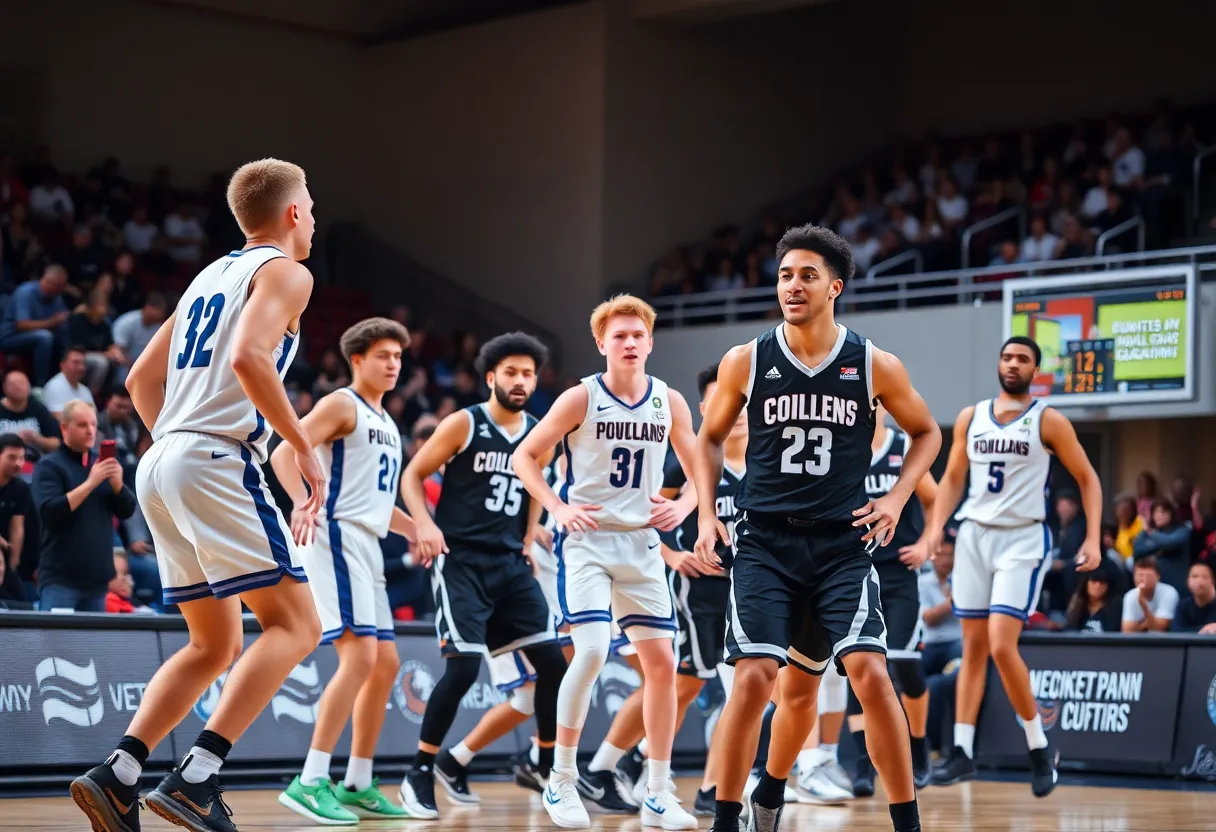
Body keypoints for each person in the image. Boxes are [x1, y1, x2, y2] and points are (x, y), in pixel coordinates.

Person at [71, 158, 324, 832]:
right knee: (298, 626)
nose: (315, 217)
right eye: (311, 205)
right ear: (293, 214)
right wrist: (299, 444)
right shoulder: (288, 273)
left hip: (162, 459)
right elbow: (248, 356)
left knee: (212, 646)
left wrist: (177, 450)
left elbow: (138, 380)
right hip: (210, 455)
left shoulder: (209, 275)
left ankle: (120, 772)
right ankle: (197, 776)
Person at [692, 224, 941, 832]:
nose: (792, 286)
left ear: (835, 286)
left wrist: (895, 499)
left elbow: (928, 434)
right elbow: (707, 438)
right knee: (756, 681)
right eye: (784, 275)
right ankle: (732, 817)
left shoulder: (873, 363)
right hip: (765, 542)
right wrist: (705, 513)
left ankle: (900, 820)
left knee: (866, 675)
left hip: (840, 545)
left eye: (806, 275)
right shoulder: (746, 359)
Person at [513, 295, 701, 831]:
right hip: (590, 542)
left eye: (638, 335)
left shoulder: (669, 401)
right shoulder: (581, 398)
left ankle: (660, 793)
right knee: (592, 650)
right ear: (601, 344)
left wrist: (685, 505)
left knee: (663, 666)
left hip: (642, 544)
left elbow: (698, 467)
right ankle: (562, 779)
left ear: (650, 342)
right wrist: (557, 507)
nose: (629, 343)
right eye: (618, 336)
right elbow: (526, 455)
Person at [398, 332, 568, 820]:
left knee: (554, 663)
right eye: (511, 372)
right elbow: (413, 476)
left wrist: (531, 533)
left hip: (510, 564)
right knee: (464, 667)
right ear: (491, 378)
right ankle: (420, 771)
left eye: (528, 373)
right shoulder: (463, 424)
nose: (521, 381)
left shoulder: (540, 432)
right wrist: (425, 525)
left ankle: (546, 762)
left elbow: (535, 483)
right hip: (462, 561)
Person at [922, 336, 1102, 797]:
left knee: (1003, 646)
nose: (1013, 363)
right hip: (975, 536)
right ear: (998, 363)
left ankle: (1039, 748)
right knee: (973, 649)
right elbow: (953, 479)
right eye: (1006, 356)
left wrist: (1093, 538)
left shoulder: (1049, 419)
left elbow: (1088, 477)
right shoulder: (971, 417)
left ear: (1035, 371)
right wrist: (934, 530)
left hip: (1023, 538)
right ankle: (961, 752)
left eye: (1022, 358)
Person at [580, 363, 744, 817]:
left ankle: (632, 764)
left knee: (698, 688)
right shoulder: (683, 460)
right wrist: (672, 556)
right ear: (707, 407)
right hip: (696, 591)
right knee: (679, 682)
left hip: (743, 591)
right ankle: (611, 766)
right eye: (727, 400)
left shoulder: (766, 462)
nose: (741, 412)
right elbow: (649, 510)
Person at [272, 318, 415, 823]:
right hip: (334, 535)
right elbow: (284, 452)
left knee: (386, 665)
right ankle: (311, 779)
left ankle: (356, 781)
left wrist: (415, 528)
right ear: (356, 360)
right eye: (382, 355)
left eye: (398, 356)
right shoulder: (340, 404)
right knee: (358, 658)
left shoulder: (387, 421)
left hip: (367, 540)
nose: (393, 364)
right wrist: (302, 502)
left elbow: (372, 500)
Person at [847, 405, 939, 797]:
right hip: (855, 571)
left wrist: (926, 544)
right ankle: (863, 766)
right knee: (861, 667)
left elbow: (936, 500)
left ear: (884, 407)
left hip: (900, 573)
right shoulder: (845, 447)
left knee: (904, 668)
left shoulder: (904, 445)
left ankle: (919, 750)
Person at [32, 401, 136, 612]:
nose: (90, 431)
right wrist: (90, 483)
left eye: (93, 424)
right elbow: (50, 512)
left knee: (90, 646)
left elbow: (127, 510)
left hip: (98, 584)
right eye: (82, 425)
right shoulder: (49, 466)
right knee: (55, 645)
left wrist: (117, 485)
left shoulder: (101, 464)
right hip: (60, 582)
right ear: (64, 428)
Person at [0, 263, 70, 386]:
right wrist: (52, 322)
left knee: (64, 333)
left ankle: (64, 380)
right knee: (44, 337)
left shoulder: (56, 297)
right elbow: (21, 325)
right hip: (10, 336)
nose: (59, 291)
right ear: (47, 281)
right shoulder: (26, 292)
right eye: (57, 287)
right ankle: (40, 384)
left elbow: (61, 318)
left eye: (61, 287)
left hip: (36, 335)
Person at [0, 369, 60, 464]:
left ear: (29, 387)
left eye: (22, 383)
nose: (18, 387)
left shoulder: (37, 408)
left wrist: (38, 440)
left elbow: (57, 443)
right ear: (4, 387)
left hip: (35, 462)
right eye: (13, 384)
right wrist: (12, 442)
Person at [0, 434, 30, 603]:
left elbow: (17, 528)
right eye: (11, 457)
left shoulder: (20, 488)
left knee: (21, 602)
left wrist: (12, 565)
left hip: (3, 558)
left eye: (21, 458)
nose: (18, 463)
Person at [1121, 556, 1178, 633]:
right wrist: (1147, 624)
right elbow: (1127, 631)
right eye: (1140, 575)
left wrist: (1143, 605)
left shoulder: (1169, 592)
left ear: (1158, 577)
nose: (1144, 579)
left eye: (1149, 576)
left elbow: (1158, 629)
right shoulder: (1130, 596)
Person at [41, 347, 95, 420]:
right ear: (62, 364)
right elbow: (60, 420)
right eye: (76, 363)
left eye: (83, 363)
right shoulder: (54, 386)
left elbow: (93, 418)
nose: (81, 367)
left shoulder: (85, 390)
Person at [1063, 566, 1121, 632]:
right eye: (1094, 581)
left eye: (1102, 582)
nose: (1098, 585)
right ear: (1086, 584)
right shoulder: (1077, 604)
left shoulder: (1115, 606)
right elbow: (1070, 630)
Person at [1173, 561, 1216, 634]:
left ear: (1212, 581)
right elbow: (1176, 631)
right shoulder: (1183, 606)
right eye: (1194, 577)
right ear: (1188, 581)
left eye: (1204, 577)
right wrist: (1204, 629)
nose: (1199, 581)